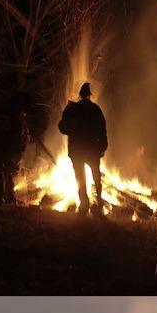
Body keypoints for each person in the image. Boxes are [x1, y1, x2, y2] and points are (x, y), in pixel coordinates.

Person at [58, 83, 108, 216]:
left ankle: (84, 203)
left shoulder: (72, 108)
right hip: (91, 150)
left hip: (77, 150)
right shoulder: (95, 109)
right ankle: (99, 203)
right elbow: (102, 130)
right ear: (90, 95)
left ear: (80, 95)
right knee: (96, 177)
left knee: (80, 177)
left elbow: (63, 127)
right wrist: (102, 145)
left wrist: (71, 129)